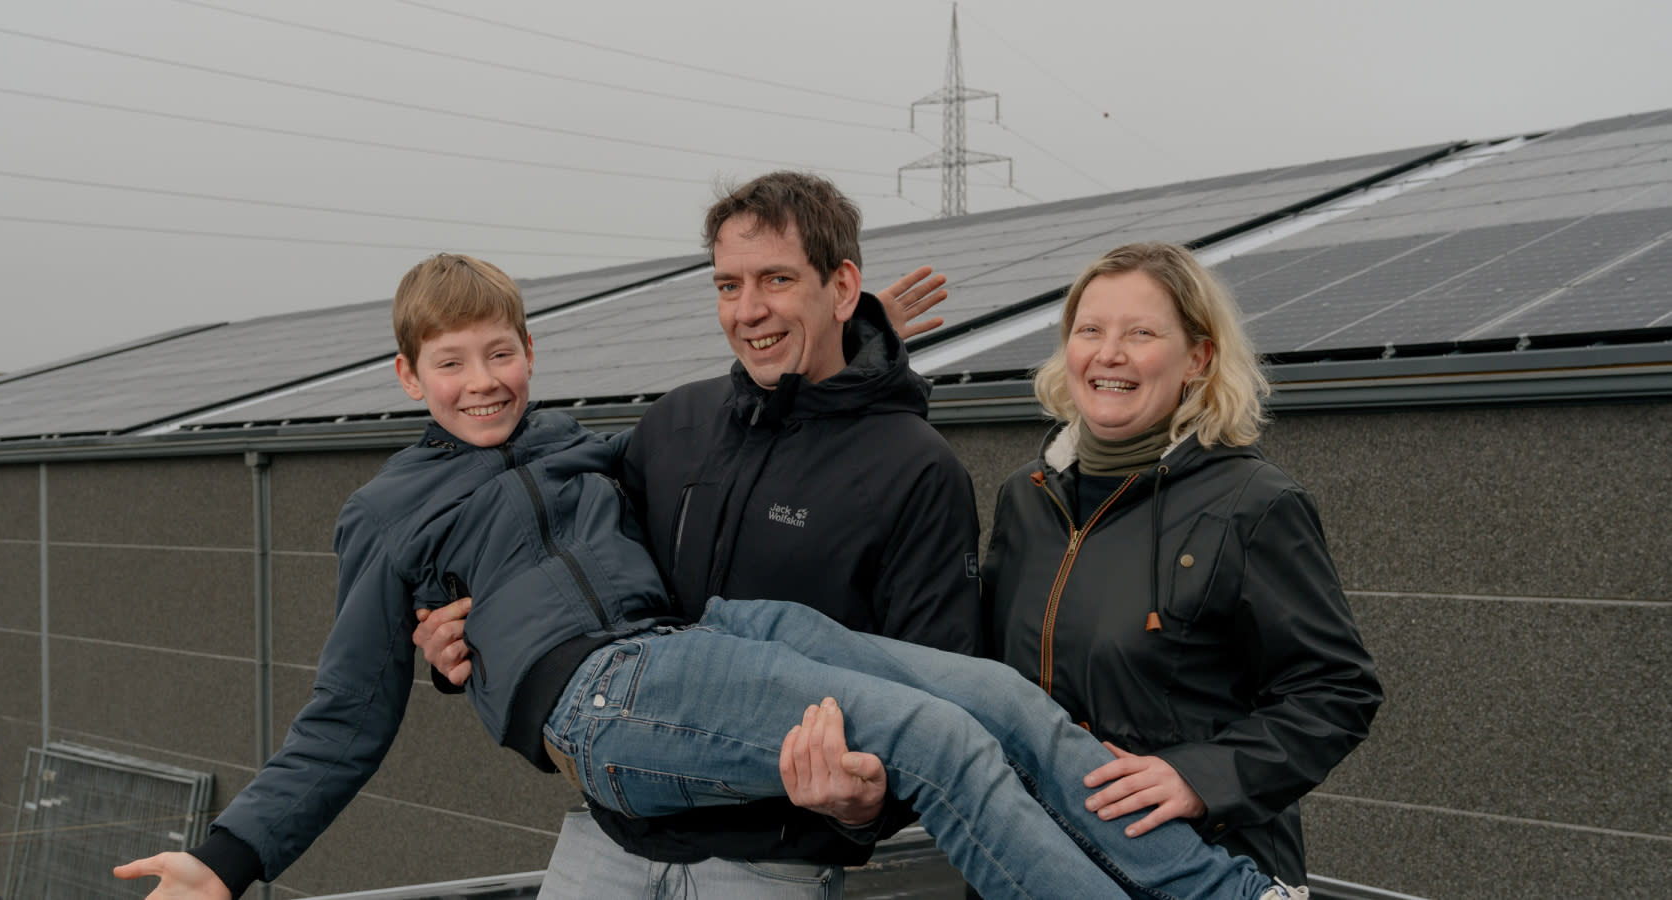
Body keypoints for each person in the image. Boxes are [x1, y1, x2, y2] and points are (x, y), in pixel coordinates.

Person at [113, 252, 1301, 900]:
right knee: (938, 740)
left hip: (700, 643)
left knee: (993, 700)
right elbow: (341, 718)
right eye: (451, 362)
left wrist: (852, 321)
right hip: (609, 700)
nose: (483, 381)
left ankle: (1228, 896)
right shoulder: (388, 512)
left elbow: (755, 421)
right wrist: (224, 863)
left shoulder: (589, 452)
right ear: (408, 374)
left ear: (533, 354)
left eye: (502, 353)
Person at [418, 170, 981, 898]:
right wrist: (452, 639)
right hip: (608, 842)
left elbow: (941, 689)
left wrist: (865, 806)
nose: (747, 311)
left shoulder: (916, 470)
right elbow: (557, 558)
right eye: (726, 286)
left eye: (775, 279)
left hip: (770, 865)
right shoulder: (673, 425)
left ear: (841, 289)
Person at [978, 241, 1384, 891]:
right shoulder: (1024, 498)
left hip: (1188, 871)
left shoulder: (1252, 504)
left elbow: (1334, 692)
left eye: (1140, 333)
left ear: (1197, 357)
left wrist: (1198, 778)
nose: (1108, 354)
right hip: (1027, 864)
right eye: (1089, 330)